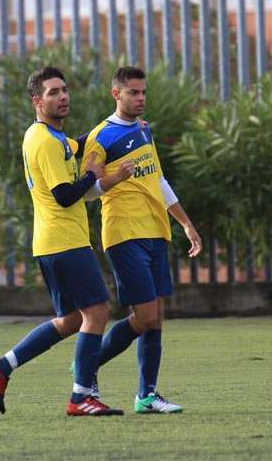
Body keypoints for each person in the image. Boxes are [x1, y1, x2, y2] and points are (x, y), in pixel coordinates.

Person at [0, 66, 134, 417]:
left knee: (71, 319)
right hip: (64, 243)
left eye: (64, 89)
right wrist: (93, 175)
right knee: (97, 312)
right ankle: (81, 397)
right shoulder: (45, 141)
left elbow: (80, 143)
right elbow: (64, 196)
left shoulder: (52, 137)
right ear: (38, 101)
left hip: (52, 243)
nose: (62, 96)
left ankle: (1, 366)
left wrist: (118, 121)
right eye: (53, 92)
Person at [81, 65, 202, 414]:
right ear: (116, 94)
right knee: (146, 315)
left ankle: (146, 396)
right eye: (133, 92)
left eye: (143, 92)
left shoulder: (143, 131)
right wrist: (116, 178)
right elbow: (86, 190)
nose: (141, 98)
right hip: (124, 233)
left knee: (157, 315)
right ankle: (87, 364)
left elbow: (158, 180)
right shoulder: (100, 137)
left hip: (155, 231)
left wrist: (186, 223)